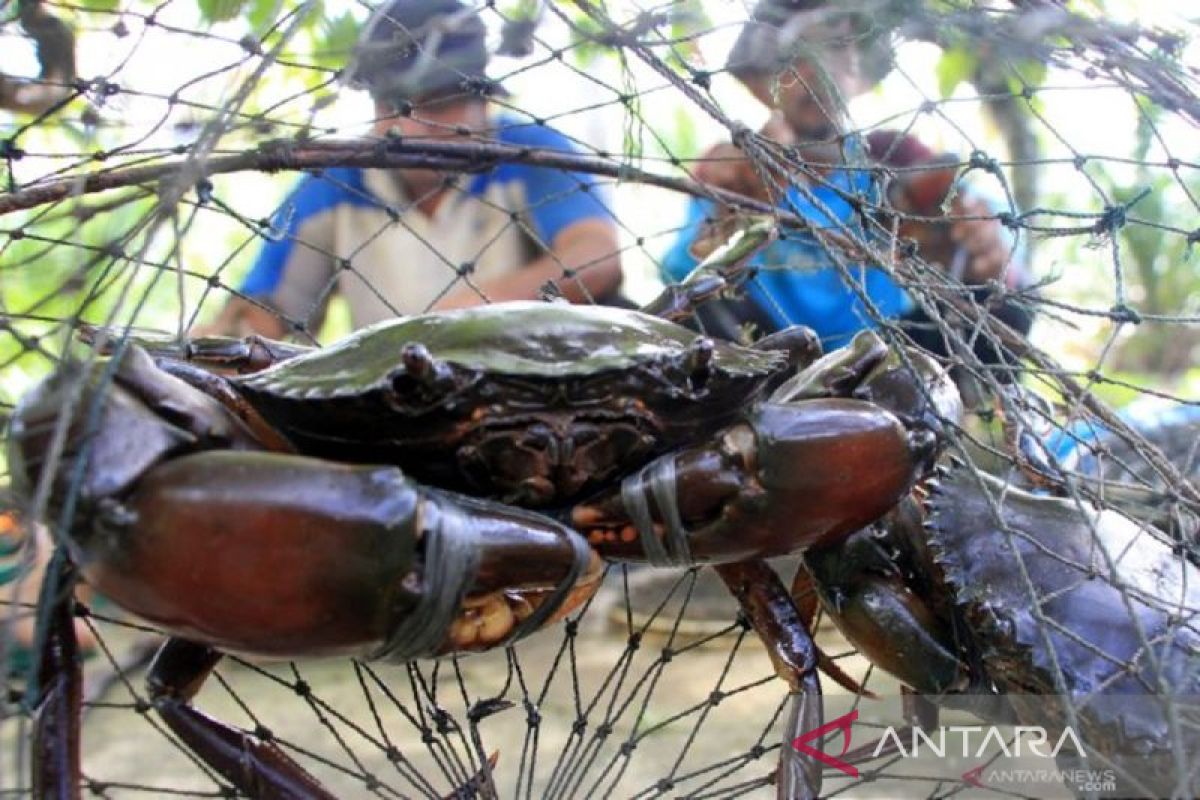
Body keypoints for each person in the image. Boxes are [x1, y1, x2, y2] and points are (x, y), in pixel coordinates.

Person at [201, 0, 623, 339]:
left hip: (530, 393)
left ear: (484, 101)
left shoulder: (528, 154)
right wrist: (229, 337)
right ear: (374, 107)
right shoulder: (333, 182)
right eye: (396, 106)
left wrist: (472, 311)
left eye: (439, 103)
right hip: (394, 412)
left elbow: (595, 256)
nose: (415, 128)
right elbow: (267, 307)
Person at [660, 0, 1033, 361]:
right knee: (699, 314)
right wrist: (727, 219)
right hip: (762, 358)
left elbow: (994, 234)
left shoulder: (894, 159)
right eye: (793, 56)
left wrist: (981, 248)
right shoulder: (736, 169)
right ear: (762, 80)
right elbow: (681, 277)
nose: (815, 69)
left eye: (835, 48)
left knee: (1005, 311)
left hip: (877, 357)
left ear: (862, 73)